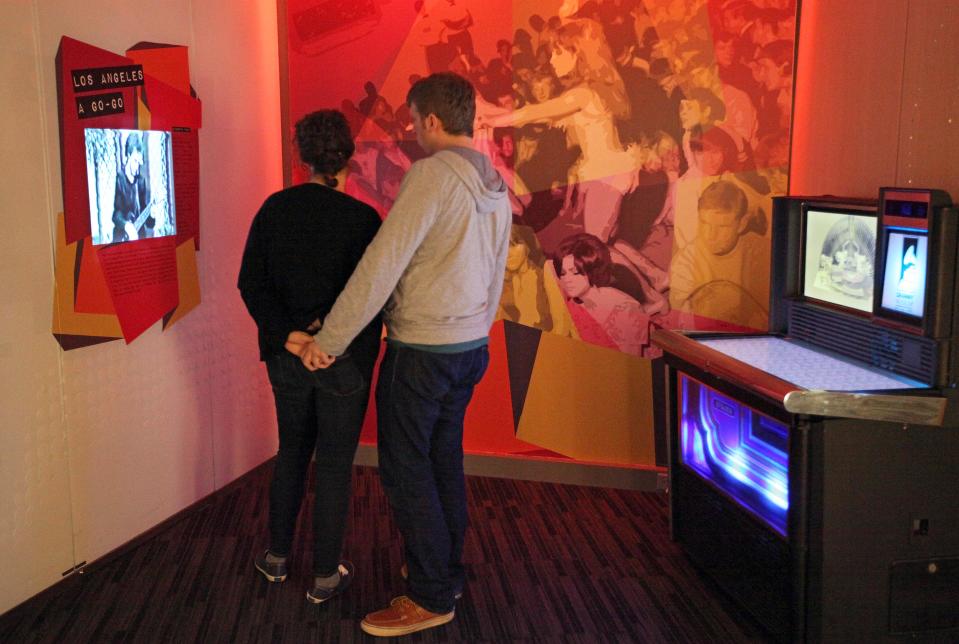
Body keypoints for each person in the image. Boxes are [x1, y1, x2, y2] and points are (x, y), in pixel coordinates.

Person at [300, 72, 511, 637]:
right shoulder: (493, 179)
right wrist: (477, 330)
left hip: (422, 352)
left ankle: (430, 594)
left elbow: (381, 265)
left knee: (404, 470)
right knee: (443, 460)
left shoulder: (432, 175)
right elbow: (496, 273)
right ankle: (444, 567)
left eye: (416, 121)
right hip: (469, 349)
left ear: (434, 121)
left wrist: (330, 342)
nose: (414, 131)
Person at [237, 110, 382, 604]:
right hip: (344, 362)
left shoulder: (274, 209)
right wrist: (329, 341)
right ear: (347, 156)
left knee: (293, 452)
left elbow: (250, 285)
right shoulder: (365, 220)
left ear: (300, 156)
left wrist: (292, 338)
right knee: (336, 465)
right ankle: (324, 576)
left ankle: (276, 557)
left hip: (286, 359)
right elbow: (372, 297)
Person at [553, 232, 649, 356]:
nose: (567, 279)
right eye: (563, 273)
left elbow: (630, 364)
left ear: (593, 271)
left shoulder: (624, 308)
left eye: (575, 272)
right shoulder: (572, 306)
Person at [111, 131, 152, 242]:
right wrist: (126, 225)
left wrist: (152, 215)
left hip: (140, 238)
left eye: (139, 163)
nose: (137, 168)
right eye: (135, 161)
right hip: (122, 238)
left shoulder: (141, 181)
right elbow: (116, 214)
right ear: (128, 156)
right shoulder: (119, 178)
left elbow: (148, 223)